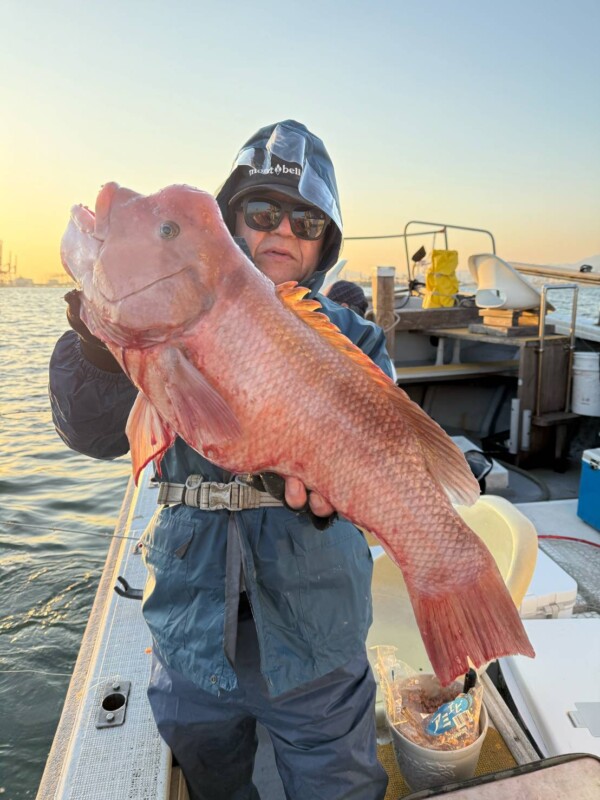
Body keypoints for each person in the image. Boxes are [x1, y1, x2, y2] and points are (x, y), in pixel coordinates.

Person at [49, 119, 393, 800]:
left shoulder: (354, 336)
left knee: (340, 783)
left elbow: (387, 445)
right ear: (230, 220)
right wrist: (97, 341)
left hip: (318, 632)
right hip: (189, 624)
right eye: (263, 211)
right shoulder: (154, 315)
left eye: (307, 221)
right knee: (211, 776)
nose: (283, 232)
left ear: (326, 242)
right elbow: (88, 430)